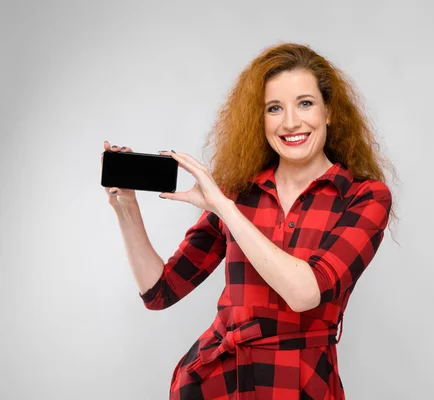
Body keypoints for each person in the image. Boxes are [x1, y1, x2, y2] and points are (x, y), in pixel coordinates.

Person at [101, 42, 397, 400]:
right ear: (260, 119)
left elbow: (305, 293)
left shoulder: (364, 197)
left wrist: (225, 209)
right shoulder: (238, 192)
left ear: (329, 111)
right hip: (216, 384)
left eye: (305, 103)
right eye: (274, 108)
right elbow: (160, 292)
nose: (291, 122)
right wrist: (126, 209)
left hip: (302, 386)